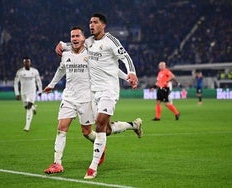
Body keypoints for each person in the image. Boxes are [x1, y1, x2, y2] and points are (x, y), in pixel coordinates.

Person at [44, 26, 142, 175]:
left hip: (88, 98)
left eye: (78, 36)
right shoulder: (65, 54)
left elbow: (112, 69)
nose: (75, 39)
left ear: (84, 39)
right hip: (69, 97)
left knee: (89, 132)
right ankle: (57, 164)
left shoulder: (92, 53)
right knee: (61, 128)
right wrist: (51, 85)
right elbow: (61, 70)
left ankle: (127, 128)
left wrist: (127, 77)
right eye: (72, 36)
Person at [14, 57, 42, 132]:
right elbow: (16, 83)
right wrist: (17, 93)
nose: (27, 63)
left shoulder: (35, 71)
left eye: (28, 62)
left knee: (28, 106)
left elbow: (38, 81)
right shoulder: (20, 72)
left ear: (30, 62)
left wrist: (40, 91)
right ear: (24, 63)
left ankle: (27, 126)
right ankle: (34, 108)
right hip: (23, 92)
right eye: (25, 62)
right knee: (26, 107)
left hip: (32, 91)